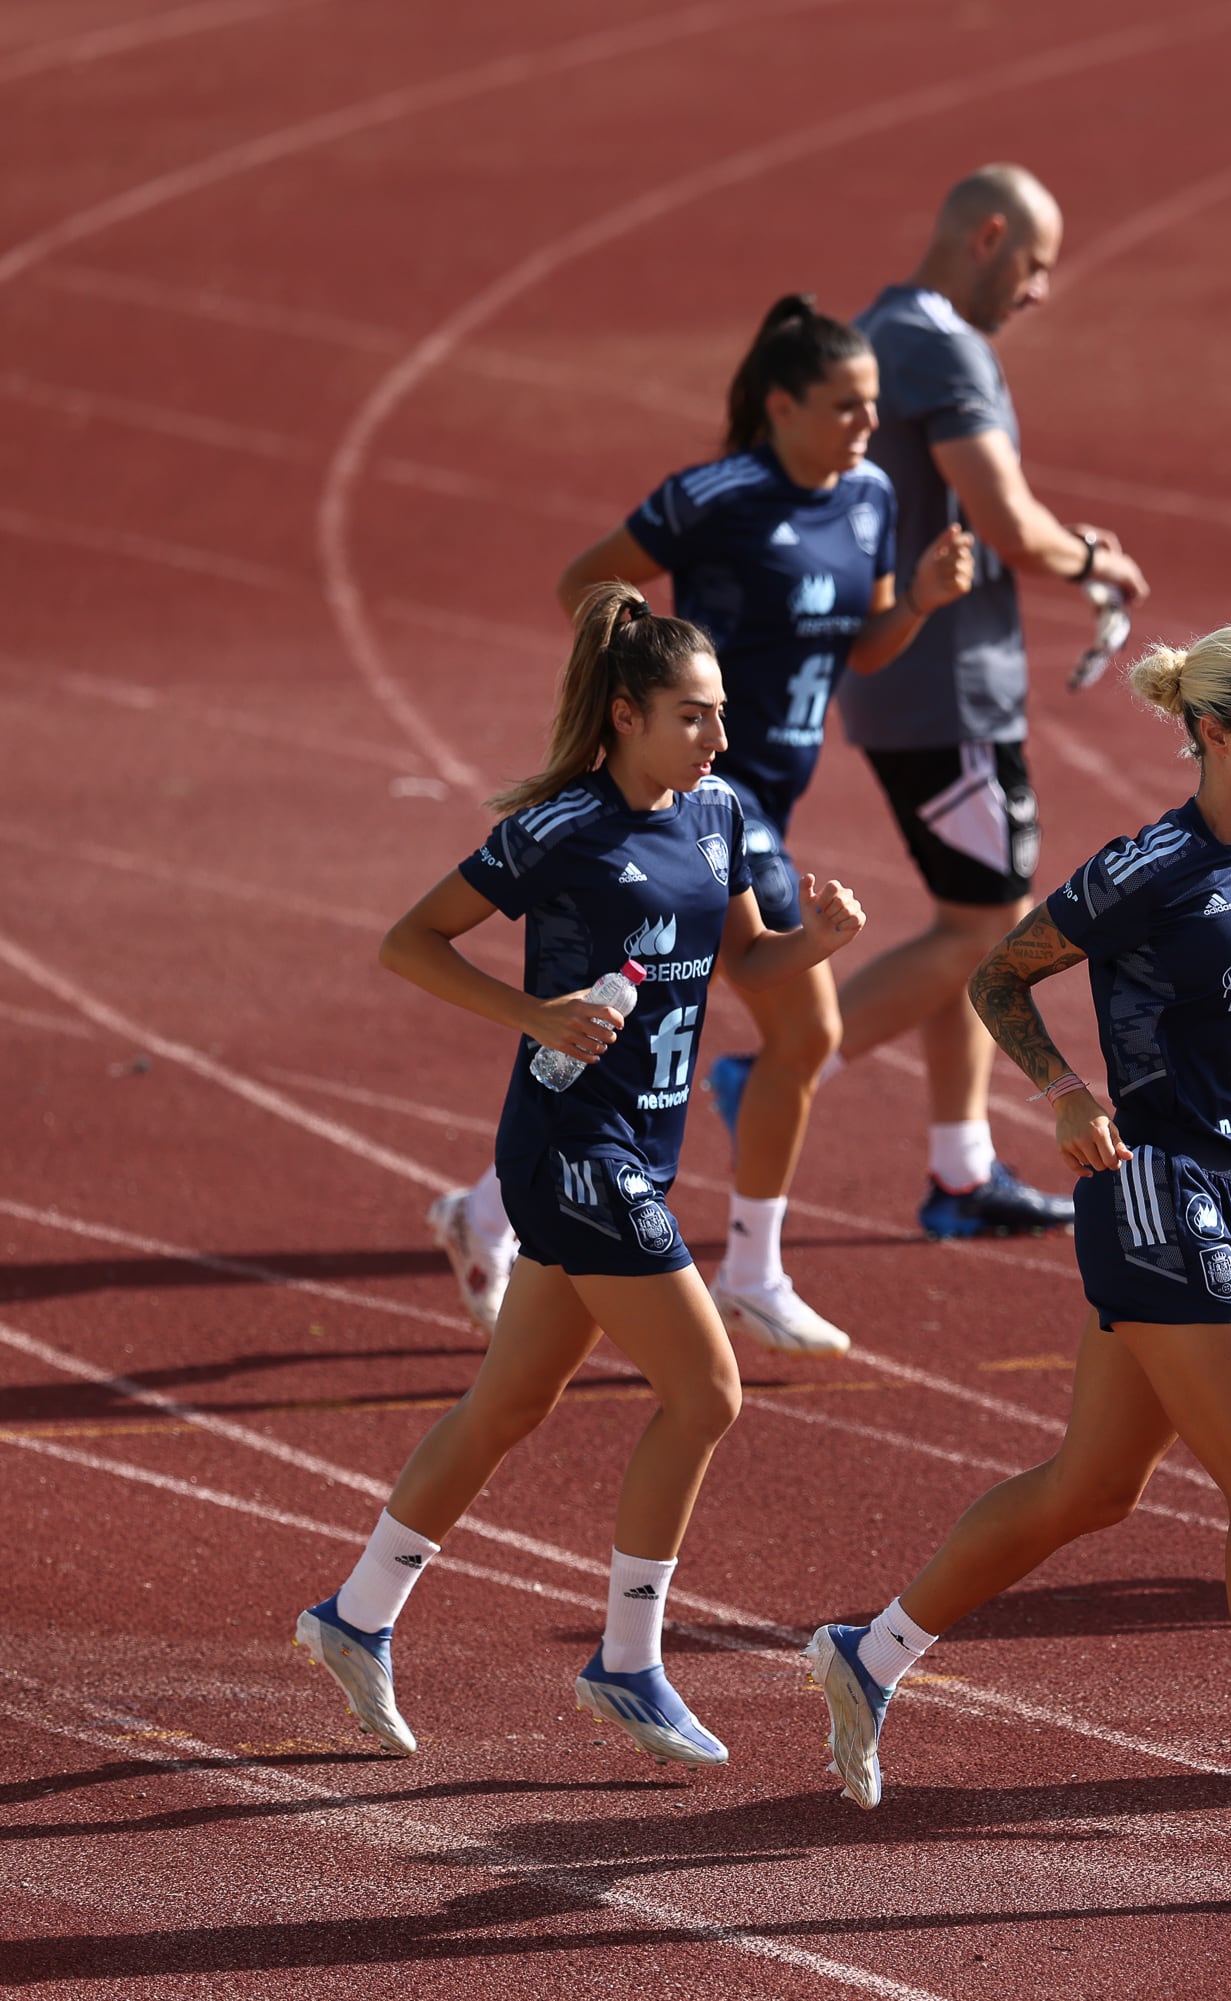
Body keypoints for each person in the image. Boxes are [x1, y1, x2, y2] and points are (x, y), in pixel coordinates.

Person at [801, 625, 1231, 1869]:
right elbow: (1000, 978)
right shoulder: (1145, 868)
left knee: (1092, 1488)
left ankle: (870, 1650)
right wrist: (1063, 1091)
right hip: (1153, 1191)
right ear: (1213, 734)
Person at [301, 586, 865, 1766]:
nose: (718, 737)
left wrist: (820, 940)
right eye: (692, 715)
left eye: (720, 714)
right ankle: (628, 1660)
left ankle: (355, 1616)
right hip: (571, 1155)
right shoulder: (559, 830)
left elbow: (751, 962)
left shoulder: (719, 814)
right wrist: (531, 1014)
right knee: (708, 1393)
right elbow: (412, 940)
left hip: (636, 1150)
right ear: (623, 714)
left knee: (509, 1403)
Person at [429, 297, 970, 1356]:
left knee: (639, 1015)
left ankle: (485, 1209)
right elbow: (584, 582)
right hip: (714, 797)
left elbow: (858, 649)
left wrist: (920, 606)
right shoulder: (714, 496)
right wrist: (647, 697)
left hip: (761, 789)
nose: (867, 428)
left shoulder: (870, 498)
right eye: (844, 407)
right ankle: (754, 1269)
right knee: (804, 1029)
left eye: (875, 408)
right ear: (779, 406)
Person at [835, 162, 1151, 1240]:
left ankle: (960, 1171)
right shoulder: (938, 347)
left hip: (922, 682)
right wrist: (1095, 560)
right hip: (946, 693)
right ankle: (767, 1064)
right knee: (987, 931)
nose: (1040, 290)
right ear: (989, 237)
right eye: (1036, 264)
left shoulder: (882, 327)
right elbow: (1007, 524)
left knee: (974, 923)